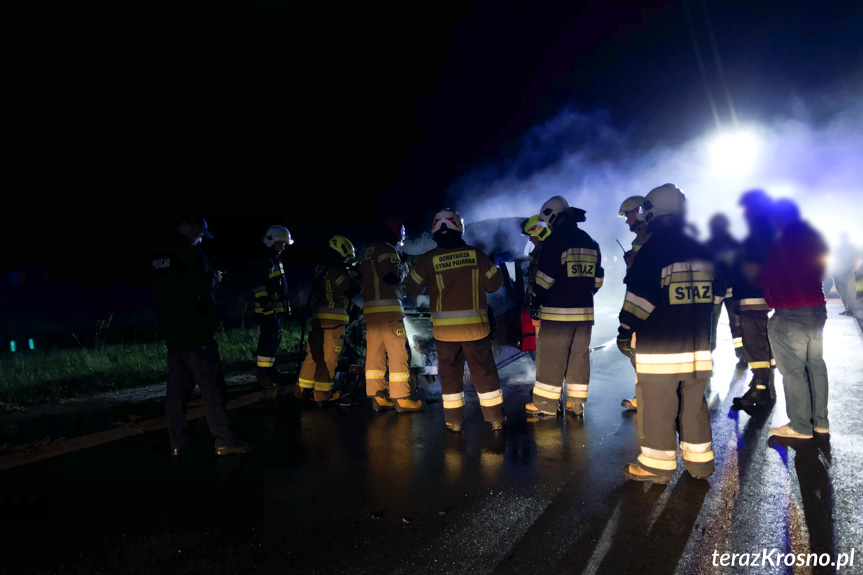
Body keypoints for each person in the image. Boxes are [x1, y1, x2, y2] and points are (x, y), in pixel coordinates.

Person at [617, 185, 720, 483]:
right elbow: (718, 294)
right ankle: (700, 465)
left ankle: (656, 466)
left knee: (658, 406)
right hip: (697, 345)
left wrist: (625, 332)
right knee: (694, 405)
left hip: (661, 347)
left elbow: (639, 302)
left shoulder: (653, 250)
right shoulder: (703, 247)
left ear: (651, 211)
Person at [152, 216, 252, 456]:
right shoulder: (191, 253)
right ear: (189, 228)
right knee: (212, 389)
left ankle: (177, 444)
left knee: (176, 392)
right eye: (200, 234)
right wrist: (216, 276)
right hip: (196, 333)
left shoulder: (159, 256)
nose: (200, 240)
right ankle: (225, 440)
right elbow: (205, 284)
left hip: (173, 334)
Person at [407, 208, 505, 431]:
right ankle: (496, 420)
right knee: (485, 375)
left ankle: (454, 423)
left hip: (445, 334)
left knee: (450, 379)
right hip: (475, 331)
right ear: (459, 228)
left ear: (435, 232)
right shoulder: (476, 254)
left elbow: (412, 288)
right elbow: (495, 285)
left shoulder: (427, 260)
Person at [525, 195, 604, 418]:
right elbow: (597, 281)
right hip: (585, 315)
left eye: (547, 220)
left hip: (557, 314)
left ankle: (545, 405)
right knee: (579, 358)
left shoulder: (554, 241)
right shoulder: (590, 241)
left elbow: (544, 280)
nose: (547, 225)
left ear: (553, 217)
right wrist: (581, 294)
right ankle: (576, 404)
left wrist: (535, 304)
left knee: (551, 359)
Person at [762, 199, 830, 439]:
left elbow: (766, 275)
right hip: (816, 310)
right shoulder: (814, 238)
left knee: (793, 370)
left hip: (789, 312)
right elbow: (822, 272)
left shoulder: (777, 243)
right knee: (816, 365)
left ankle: (800, 425)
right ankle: (820, 421)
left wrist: (771, 298)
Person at [361, 217, 423, 412]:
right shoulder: (387, 249)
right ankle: (402, 398)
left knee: (375, 355)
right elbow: (391, 276)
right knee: (398, 355)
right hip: (388, 311)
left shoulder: (367, 252)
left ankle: (377, 396)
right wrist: (404, 266)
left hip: (371, 312)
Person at [296, 235, 361, 404]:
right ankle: (323, 394)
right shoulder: (336, 271)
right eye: (346, 257)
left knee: (313, 356)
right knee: (329, 358)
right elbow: (350, 289)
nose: (346, 260)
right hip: (334, 322)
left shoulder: (322, 268)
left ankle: (301, 390)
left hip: (318, 320)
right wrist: (358, 275)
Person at [731, 190, 776, 408]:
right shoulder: (766, 232)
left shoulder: (759, 235)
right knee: (760, 343)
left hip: (753, 298)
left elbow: (752, 266)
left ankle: (760, 389)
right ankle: (761, 385)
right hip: (756, 298)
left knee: (755, 345)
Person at [618, 195, 650, 412]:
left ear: (638, 211)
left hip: (644, 310)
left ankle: (646, 398)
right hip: (652, 307)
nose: (627, 220)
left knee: (640, 353)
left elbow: (640, 281)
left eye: (628, 215)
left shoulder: (645, 238)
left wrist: (626, 324)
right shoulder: (647, 237)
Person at [252, 225, 293, 386]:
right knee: (267, 342)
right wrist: (267, 307)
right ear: (272, 242)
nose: (283, 247)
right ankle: (264, 375)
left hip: (275, 312)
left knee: (274, 341)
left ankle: (270, 371)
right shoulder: (265, 261)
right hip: (267, 311)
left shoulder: (275, 260)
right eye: (281, 243)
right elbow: (259, 286)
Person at [705, 213, 745, 363]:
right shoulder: (735, 244)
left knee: (710, 325)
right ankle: (742, 354)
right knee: (737, 326)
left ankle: (708, 353)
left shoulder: (708, 245)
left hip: (714, 293)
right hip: (732, 292)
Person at [520, 214, 550, 359]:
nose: (530, 239)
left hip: (547, 311)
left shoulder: (548, 254)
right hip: (541, 310)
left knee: (547, 352)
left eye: (532, 235)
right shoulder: (540, 253)